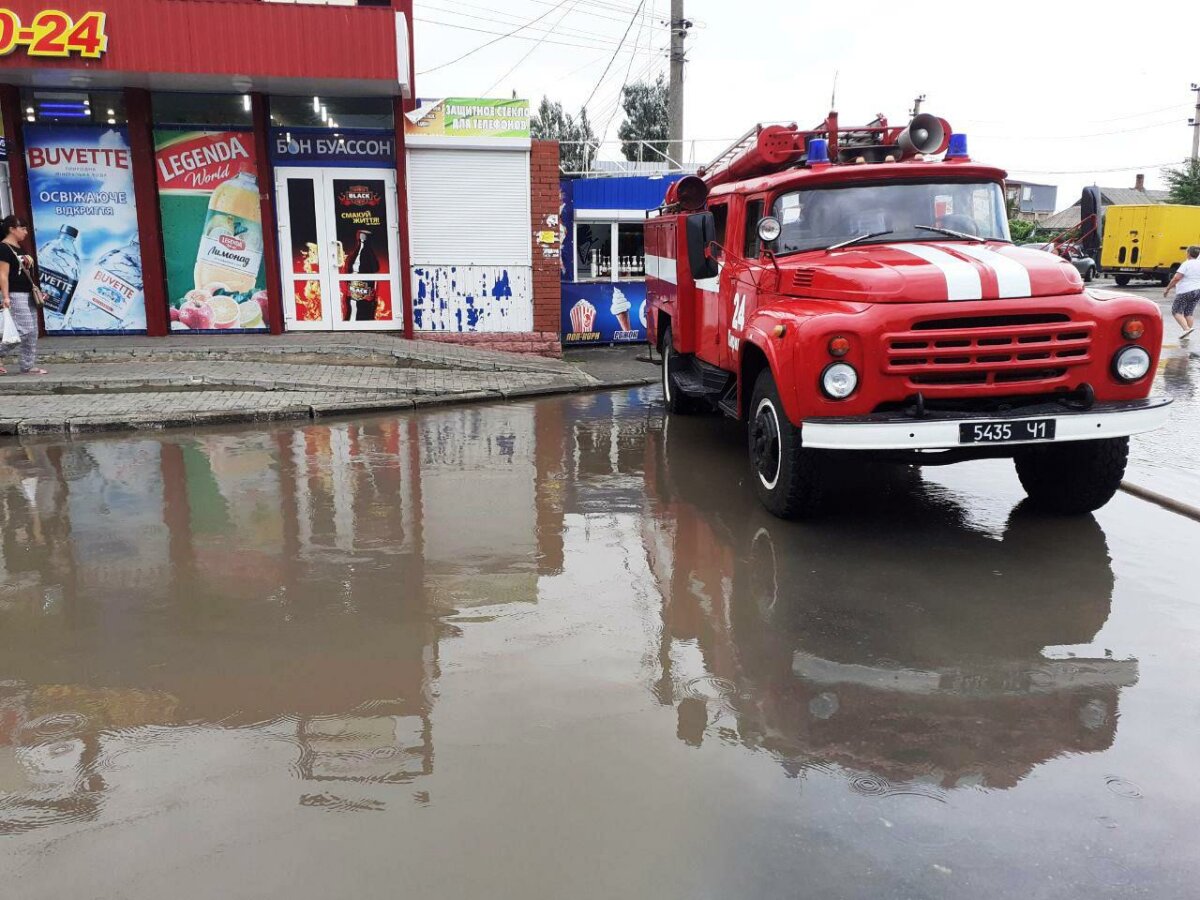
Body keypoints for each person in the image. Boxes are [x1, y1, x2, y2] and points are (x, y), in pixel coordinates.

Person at [0, 214, 47, 375]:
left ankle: (27, 365)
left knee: (33, 331)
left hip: (29, 293)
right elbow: (3, 275)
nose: (26, 232)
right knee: (24, 329)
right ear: (12, 229)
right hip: (15, 294)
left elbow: (28, 273)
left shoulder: (20, 248)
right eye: (22, 228)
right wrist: (5, 296)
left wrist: (38, 291)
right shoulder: (4, 248)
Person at [1164, 245, 1200, 339]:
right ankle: (1188, 331)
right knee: (1189, 312)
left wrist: (1167, 289)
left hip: (1185, 290)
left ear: (1188, 254)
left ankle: (1186, 329)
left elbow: (1176, 278)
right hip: (1197, 291)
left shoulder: (1186, 264)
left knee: (1176, 311)